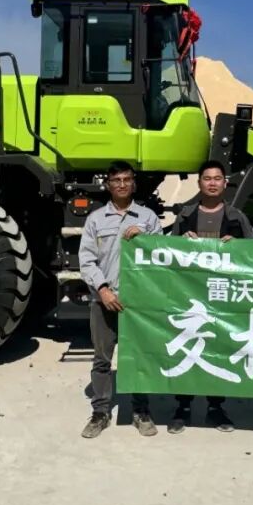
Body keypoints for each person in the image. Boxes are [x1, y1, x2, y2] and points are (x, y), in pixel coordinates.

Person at [78, 160, 164, 439]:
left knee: (138, 357)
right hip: (104, 300)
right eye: (116, 180)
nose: (122, 184)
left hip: (137, 303)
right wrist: (103, 289)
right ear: (108, 185)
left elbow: (163, 253)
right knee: (102, 359)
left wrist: (146, 237)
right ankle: (100, 412)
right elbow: (86, 259)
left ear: (134, 184)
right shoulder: (95, 219)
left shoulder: (148, 217)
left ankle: (141, 411)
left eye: (127, 179)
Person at [167, 159, 253, 433]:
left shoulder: (237, 217)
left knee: (218, 351)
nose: (212, 183)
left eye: (217, 178)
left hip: (222, 298)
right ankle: (183, 407)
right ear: (199, 183)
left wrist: (238, 246)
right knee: (188, 349)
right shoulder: (185, 216)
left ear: (225, 183)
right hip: (190, 297)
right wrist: (181, 242)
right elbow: (167, 252)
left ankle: (216, 407)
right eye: (207, 178)